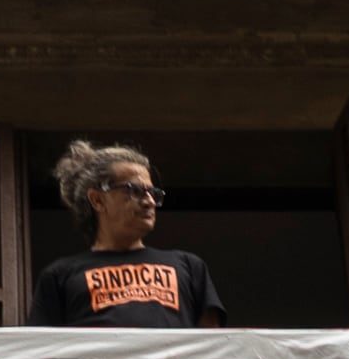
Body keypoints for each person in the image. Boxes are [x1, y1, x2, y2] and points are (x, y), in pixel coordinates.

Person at [30, 139, 228, 327]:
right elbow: (41, 348)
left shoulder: (189, 266)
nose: (149, 201)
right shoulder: (60, 276)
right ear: (98, 200)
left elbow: (212, 345)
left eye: (153, 193)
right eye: (134, 190)